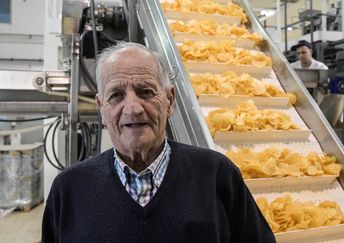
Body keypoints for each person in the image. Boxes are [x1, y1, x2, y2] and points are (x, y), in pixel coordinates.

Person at [41, 42, 275, 243]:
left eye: (145, 92)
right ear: (101, 108)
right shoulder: (69, 189)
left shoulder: (217, 174)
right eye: (116, 95)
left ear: (170, 100)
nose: (132, 109)